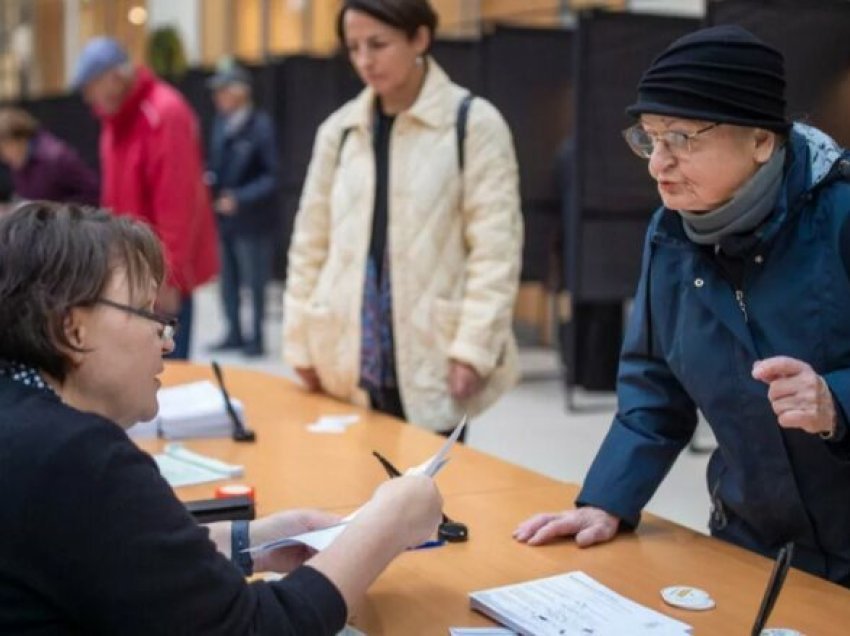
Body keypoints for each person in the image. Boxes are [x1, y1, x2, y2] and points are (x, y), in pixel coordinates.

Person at [0, 201, 443, 634]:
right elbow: (257, 627)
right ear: (72, 329)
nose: (167, 340)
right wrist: (388, 523)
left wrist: (252, 541)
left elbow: (110, 549)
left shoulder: (26, 429)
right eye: (145, 312)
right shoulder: (76, 456)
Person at [515, 25, 850, 587]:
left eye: (681, 138)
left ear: (762, 140)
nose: (656, 164)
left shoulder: (839, 218)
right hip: (751, 540)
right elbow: (654, 389)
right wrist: (607, 501)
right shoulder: (670, 235)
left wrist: (835, 400)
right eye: (649, 138)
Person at [283, 0, 523, 435]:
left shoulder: (474, 124)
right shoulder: (338, 131)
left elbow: (496, 250)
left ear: (420, 38)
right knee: (348, 492)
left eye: (378, 44)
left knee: (428, 493)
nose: (364, 60)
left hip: (432, 350)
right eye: (354, 47)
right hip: (346, 352)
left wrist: (473, 347)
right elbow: (309, 243)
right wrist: (299, 341)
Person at [71, 36, 218, 359]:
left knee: (168, 376)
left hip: (161, 275)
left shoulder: (165, 112)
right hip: (133, 271)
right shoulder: (114, 119)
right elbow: (114, 199)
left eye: (90, 87)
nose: (88, 99)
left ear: (114, 77)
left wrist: (168, 278)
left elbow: (178, 203)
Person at [206, 63, 279, 357]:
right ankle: (233, 331)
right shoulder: (220, 125)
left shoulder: (261, 126)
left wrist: (240, 198)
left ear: (240, 93)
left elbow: (271, 177)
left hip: (253, 221)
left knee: (255, 281)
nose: (217, 98)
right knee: (228, 280)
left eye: (223, 91)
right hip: (224, 220)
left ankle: (257, 337)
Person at [0, 107, 99, 205]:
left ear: (19, 139)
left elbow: (92, 193)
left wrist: (54, 212)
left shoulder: (56, 158)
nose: (3, 157)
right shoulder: (19, 160)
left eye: (3, 148)